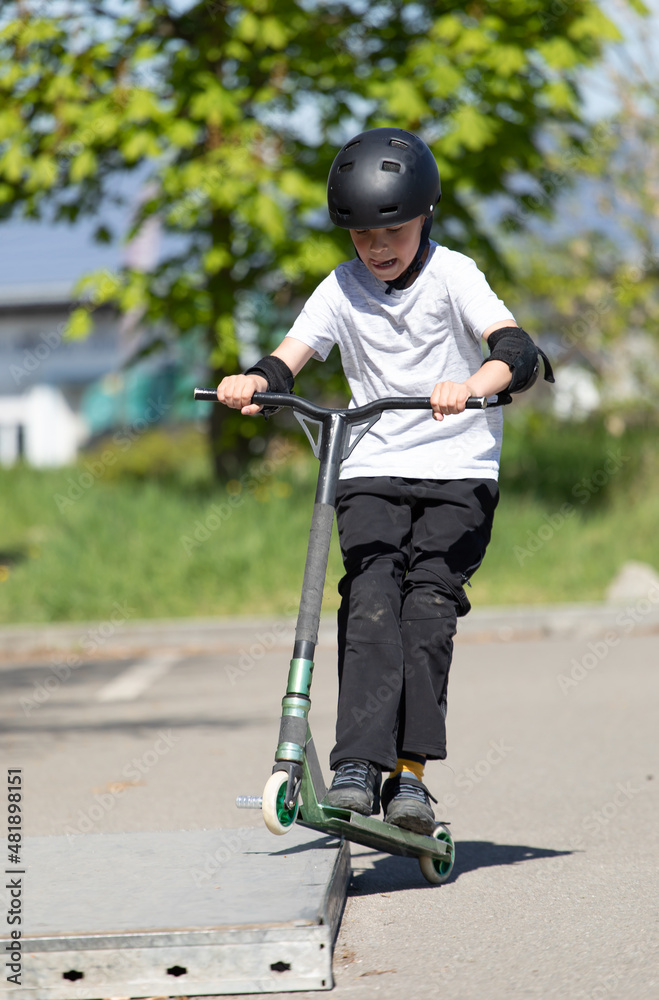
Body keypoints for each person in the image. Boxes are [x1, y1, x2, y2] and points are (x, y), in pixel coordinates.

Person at [217, 127, 553, 836]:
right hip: (370, 465)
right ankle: (354, 768)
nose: (376, 246)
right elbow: (288, 359)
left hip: (456, 472)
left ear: (424, 214)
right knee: (369, 596)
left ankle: (410, 776)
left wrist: (471, 385)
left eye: (391, 228)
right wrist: (254, 380)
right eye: (361, 233)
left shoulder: (455, 275)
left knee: (424, 606)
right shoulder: (339, 288)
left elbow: (515, 351)